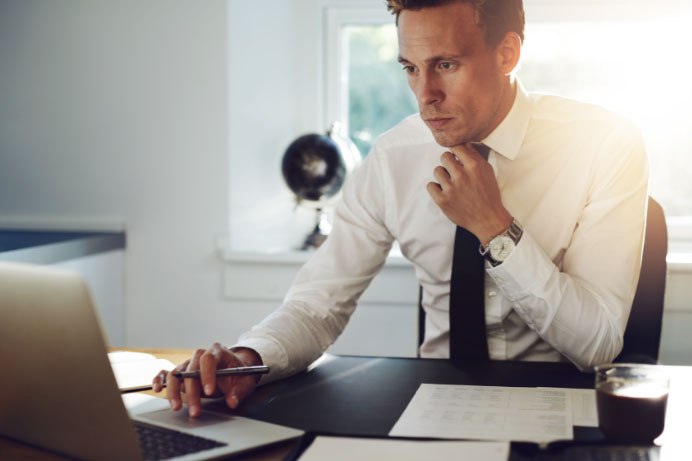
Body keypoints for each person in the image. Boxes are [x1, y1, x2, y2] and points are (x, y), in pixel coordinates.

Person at [153, 0, 648, 418]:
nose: (425, 95)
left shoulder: (604, 144)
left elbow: (598, 344)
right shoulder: (394, 158)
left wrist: (494, 227)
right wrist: (248, 358)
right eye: (411, 68)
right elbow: (316, 307)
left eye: (446, 65)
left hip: (563, 405)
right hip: (432, 406)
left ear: (507, 53)